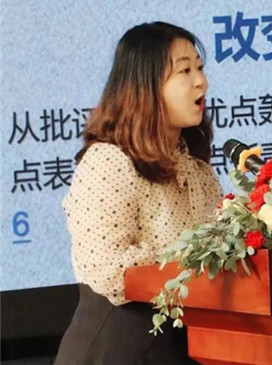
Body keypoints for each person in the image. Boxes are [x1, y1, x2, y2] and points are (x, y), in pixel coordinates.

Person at [54, 22, 222, 365]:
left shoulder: (196, 169)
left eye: (200, 68)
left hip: (181, 348)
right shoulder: (109, 161)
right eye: (185, 71)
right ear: (146, 85)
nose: (201, 82)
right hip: (117, 349)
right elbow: (106, 269)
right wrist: (190, 265)